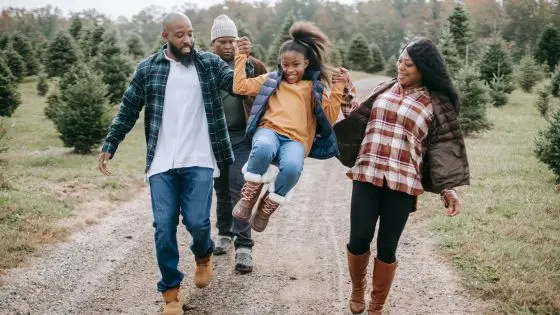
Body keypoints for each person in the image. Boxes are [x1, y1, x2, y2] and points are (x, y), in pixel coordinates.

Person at [97, 13, 253, 315]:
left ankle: (203, 254)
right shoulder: (148, 69)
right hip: (161, 162)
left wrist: (242, 58)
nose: (187, 40)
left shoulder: (207, 63)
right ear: (165, 36)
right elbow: (128, 108)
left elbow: (238, 85)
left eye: (190, 34)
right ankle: (170, 293)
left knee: (197, 221)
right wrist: (110, 144)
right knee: (163, 227)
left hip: (198, 158)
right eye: (180, 35)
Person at [333, 37, 470, 315]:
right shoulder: (386, 89)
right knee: (358, 237)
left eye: (408, 64)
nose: (401, 67)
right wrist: (346, 88)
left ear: (423, 69)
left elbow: (440, 152)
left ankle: (376, 305)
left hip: (402, 184)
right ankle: (357, 289)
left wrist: (448, 189)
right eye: (400, 61)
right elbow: (359, 117)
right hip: (367, 174)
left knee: (387, 246)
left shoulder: (434, 104)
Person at [230, 21, 345, 233]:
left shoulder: (313, 88)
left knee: (293, 168)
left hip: (296, 140)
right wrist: (241, 56)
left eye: (296, 65)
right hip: (269, 131)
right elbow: (240, 87)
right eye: (285, 64)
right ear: (280, 63)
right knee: (263, 147)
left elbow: (328, 119)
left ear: (307, 63)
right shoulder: (271, 80)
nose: (290, 70)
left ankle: (266, 206)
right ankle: (248, 198)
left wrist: (338, 88)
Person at [209, 14, 267, 273]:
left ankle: (244, 246)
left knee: (239, 188)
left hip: (242, 138)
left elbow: (264, 92)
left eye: (232, 41)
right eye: (222, 41)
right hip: (215, 139)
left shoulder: (251, 65)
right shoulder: (207, 66)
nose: (228, 46)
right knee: (220, 188)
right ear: (213, 44)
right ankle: (224, 233)